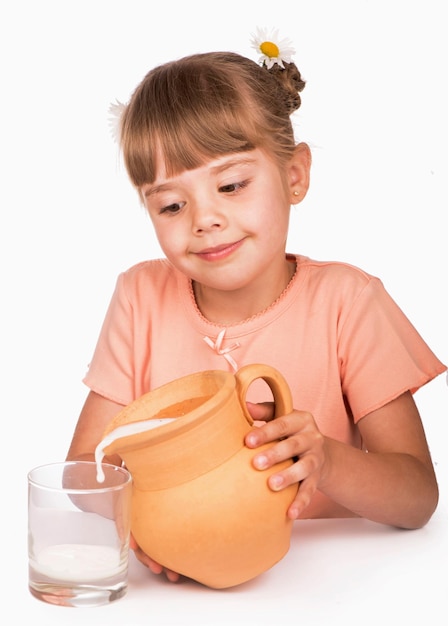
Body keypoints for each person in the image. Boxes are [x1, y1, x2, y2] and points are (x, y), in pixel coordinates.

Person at [66, 29, 446, 582]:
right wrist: (144, 520)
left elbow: (418, 498)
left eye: (233, 185)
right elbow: (84, 472)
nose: (204, 219)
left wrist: (327, 459)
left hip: (348, 585)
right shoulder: (140, 297)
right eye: (172, 204)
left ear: (294, 175)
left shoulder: (348, 302)